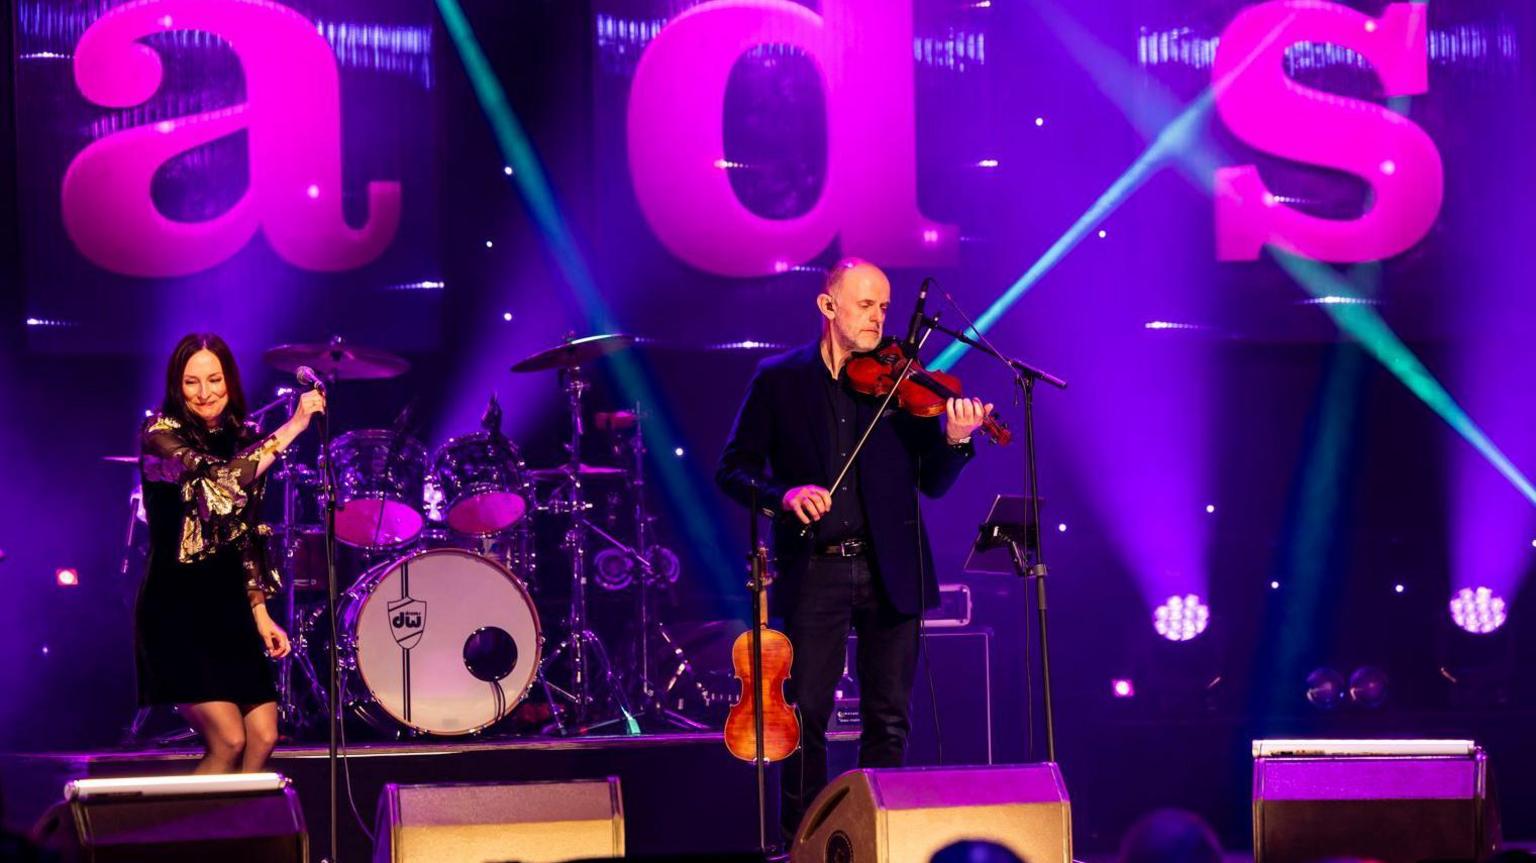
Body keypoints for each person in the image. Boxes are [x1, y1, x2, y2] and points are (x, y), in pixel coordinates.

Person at [716, 258, 990, 841]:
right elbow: (733, 471)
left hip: (890, 569)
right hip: (815, 568)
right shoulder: (778, 379)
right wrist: (783, 496)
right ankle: (806, 842)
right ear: (828, 306)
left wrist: (956, 441)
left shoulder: (900, 382)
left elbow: (933, 483)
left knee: (888, 718)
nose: (879, 318)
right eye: (866, 306)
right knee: (805, 715)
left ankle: (878, 839)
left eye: (885, 307)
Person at [136, 333, 325, 773]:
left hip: (230, 607)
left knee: (263, 735)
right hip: (177, 606)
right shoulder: (160, 434)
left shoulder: (244, 436)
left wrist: (260, 615)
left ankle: (232, 836)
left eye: (214, 379)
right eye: (191, 382)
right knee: (229, 739)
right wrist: (294, 425)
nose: (205, 393)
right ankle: (187, 841)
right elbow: (220, 481)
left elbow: (243, 536)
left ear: (229, 380)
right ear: (176, 386)